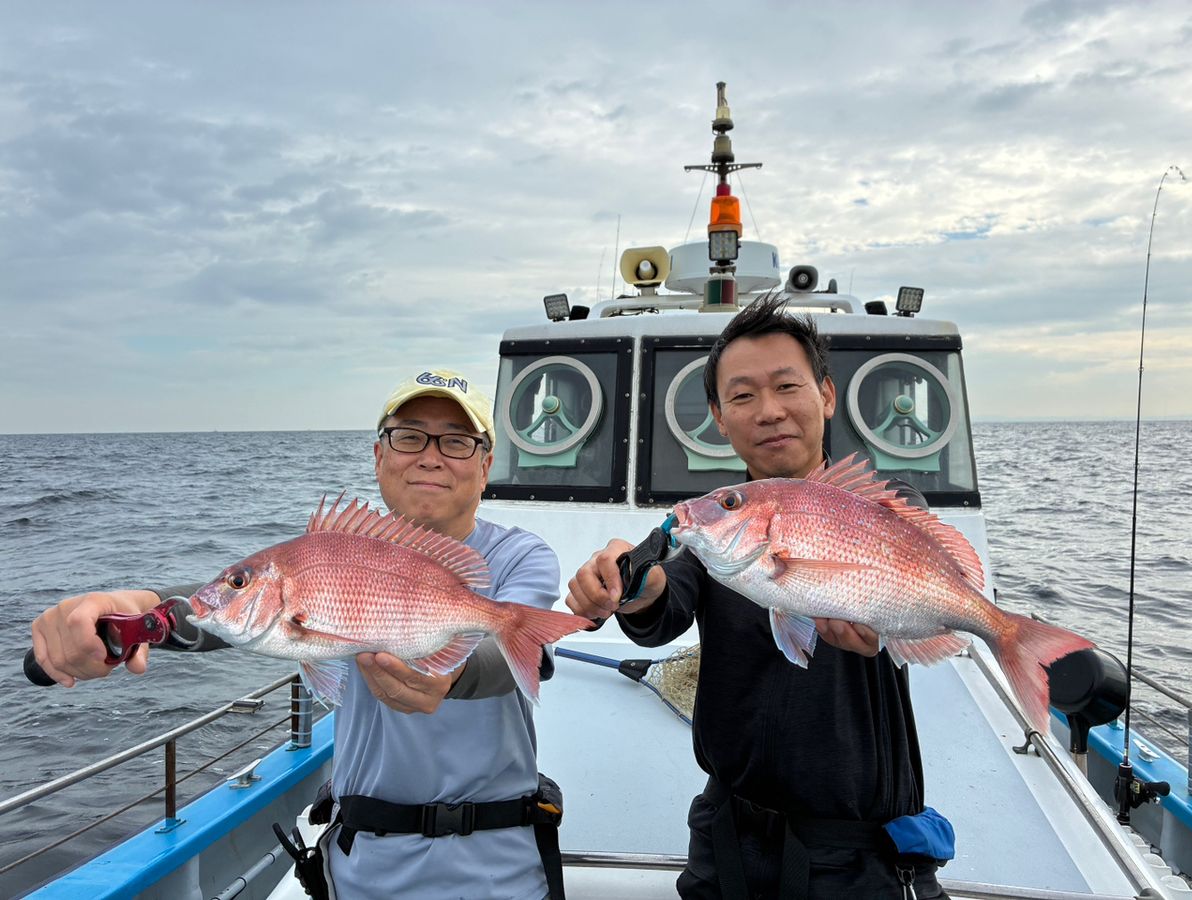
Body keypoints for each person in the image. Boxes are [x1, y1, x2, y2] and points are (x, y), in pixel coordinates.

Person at [31, 368, 563, 900]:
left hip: (496, 869)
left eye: (456, 441)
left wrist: (452, 671)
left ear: (486, 464)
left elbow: (511, 651)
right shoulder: (331, 556)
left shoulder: (521, 557)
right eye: (408, 436)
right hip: (359, 872)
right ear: (380, 456)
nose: (429, 455)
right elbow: (231, 613)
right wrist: (141, 608)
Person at [566, 296, 949, 900]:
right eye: (743, 396)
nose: (769, 412)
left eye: (786, 386)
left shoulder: (884, 507)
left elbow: (904, 597)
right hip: (727, 838)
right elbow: (669, 598)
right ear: (719, 417)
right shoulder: (721, 526)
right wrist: (631, 585)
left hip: (860, 853)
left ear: (826, 394)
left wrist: (879, 625)